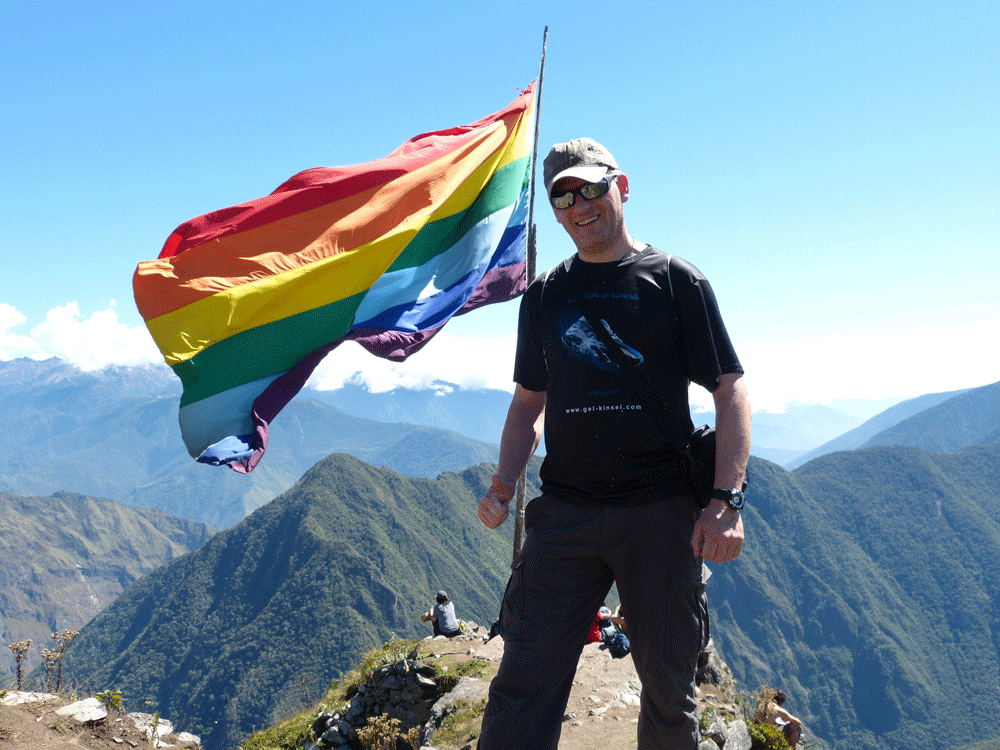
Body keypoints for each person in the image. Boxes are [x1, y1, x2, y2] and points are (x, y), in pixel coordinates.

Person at [475, 138, 751, 749]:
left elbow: (729, 390)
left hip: (661, 515)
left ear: (620, 186)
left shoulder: (676, 281)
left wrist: (726, 500)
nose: (580, 205)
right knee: (524, 679)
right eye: (563, 196)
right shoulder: (545, 295)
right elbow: (528, 403)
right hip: (567, 514)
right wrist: (501, 484)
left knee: (669, 694)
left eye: (591, 188)